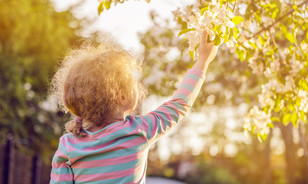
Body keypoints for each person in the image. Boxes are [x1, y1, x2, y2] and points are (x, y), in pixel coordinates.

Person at [50, 30, 218, 184]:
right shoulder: (139, 131)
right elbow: (180, 103)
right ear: (122, 96)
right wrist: (203, 61)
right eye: (133, 81)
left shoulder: (68, 145)